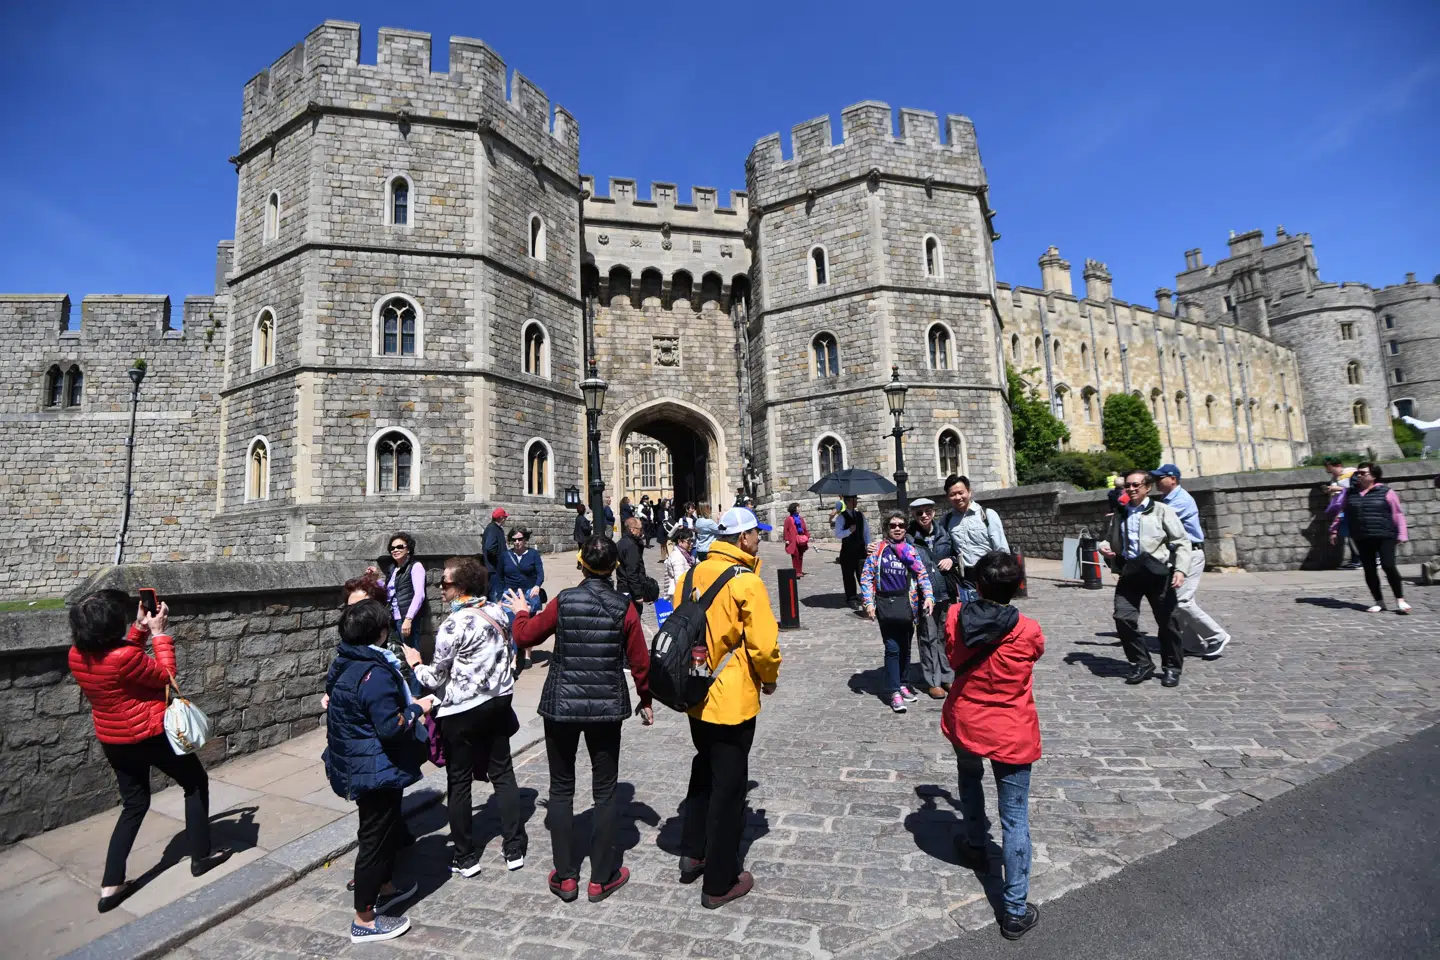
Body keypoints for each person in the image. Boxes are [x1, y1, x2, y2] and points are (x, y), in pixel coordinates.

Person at [506, 536, 655, 904]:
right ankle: (601, 877)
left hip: (562, 704)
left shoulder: (566, 600)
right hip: (605, 705)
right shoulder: (624, 606)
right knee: (605, 791)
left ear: (581, 564)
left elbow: (525, 634)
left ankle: (567, 876)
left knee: (561, 787)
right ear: (614, 568)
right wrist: (645, 698)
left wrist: (522, 611)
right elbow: (640, 659)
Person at [68, 590, 232, 914]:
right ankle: (201, 856)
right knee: (195, 782)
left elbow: (121, 659)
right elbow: (166, 678)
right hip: (149, 735)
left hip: (114, 741)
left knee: (134, 804)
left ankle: (111, 884)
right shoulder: (124, 658)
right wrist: (158, 634)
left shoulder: (77, 655)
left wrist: (139, 629)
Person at [673, 507, 783, 908]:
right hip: (731, 696)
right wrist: (769, 677)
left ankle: (693, 850)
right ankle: (719, 881)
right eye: (756, 533)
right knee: (729, 786)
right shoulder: (746, 582)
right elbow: (764, 645)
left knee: (703, 768)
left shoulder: (688, 576)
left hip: (695, 690)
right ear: (742, 539)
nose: (758, 539)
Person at [941, 551, 1044, 941]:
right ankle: (1014, 909)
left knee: (968, 777)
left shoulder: (955, 616)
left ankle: (973, 842)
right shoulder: (1029, 628)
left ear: (978, 584)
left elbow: (951, 655)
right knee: (1014, 817)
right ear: (1017, 586)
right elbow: (1035, 652)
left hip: (968, 719)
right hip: (1011, 728)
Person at [403, 556, 528, 877]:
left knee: (459, 783)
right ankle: (514, 847)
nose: (440, 588)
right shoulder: (498, 612)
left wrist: (416, 663)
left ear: (460, 588)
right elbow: (512, 654)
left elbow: (435, 678)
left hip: (462, 713)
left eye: (444, 583)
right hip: (498, 704)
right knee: (503, 774)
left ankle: (465, 856)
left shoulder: (452, 626)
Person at [323, 599, 433, 943]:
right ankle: (364, 919)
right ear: (380, 632)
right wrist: (418, 708)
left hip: (360, 762)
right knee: (373, 837)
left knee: (382, 831)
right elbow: (390, 726)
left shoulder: (344, 662)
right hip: (375, 767)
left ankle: (385, 885)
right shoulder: (375, 674)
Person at [1097, 470, 1192, 687]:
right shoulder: (1120, 512)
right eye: (1128, 485)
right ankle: (1141, 663)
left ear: (1147, 487)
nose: (1131, 489)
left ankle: (1171, 668)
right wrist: (1106, 549)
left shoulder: (1161, 511)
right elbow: (1108, 541)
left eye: (1136, 485)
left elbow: (1181, 541)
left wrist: (1180, 570)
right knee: (1123, 618)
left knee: (1168, 622)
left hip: (1158, 574)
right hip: (1130, 574)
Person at [1150, 465, 1231, 658]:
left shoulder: (1181, 500)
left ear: (1173, 479)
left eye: (1160, 478)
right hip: (1177, 555)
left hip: (1190, 555)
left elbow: (1156, 521)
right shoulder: (1168, 499)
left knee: (1182, 600)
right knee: (1175, 601)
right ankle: (1192, 643)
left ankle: (1216, 636)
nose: (1156, 482)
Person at [860, 510, 936, 714]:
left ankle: (903, 682)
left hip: (908, 604)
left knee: (905, 646)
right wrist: (868, 602)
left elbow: (922, 574)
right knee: (892, 647)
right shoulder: (878, 550)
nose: (897, 529)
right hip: (886, 604)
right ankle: (893, 690)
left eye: (901, 525)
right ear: (887, 528)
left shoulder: (910, 550)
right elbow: (867, 576)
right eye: (893, 525)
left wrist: (929, 596)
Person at [1330, 462, 1412, 614]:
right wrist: (1334, 530)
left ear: (1373, 476)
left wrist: (1402, 533)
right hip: (1362, 536)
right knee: (1369, 569)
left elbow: (1398, 513)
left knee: (1388, 565)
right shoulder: (1350, 493)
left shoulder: (1386, 492)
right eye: (1358, 473)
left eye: (1363, 473)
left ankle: (1400, 599)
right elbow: (1341, 512)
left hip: (1385, 535)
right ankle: (1379, 601)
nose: (1359, 475)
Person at [906, 498, 955, 698]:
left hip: (945, 592)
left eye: (928, 511)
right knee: (928, 636)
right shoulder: (908, 538)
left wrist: (951, 560)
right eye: (919, 513)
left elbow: (955, 553)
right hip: (924, 595)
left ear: (934, 512)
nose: (924, 515)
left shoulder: (944, 534)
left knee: (945, 636)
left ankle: (947, 676)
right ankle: (933, 680)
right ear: (914, 515)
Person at [936, 474, 1009, 603]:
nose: (958, 497)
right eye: (953, 494)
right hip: (965, 579)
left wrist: (1003, 575)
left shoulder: (987, 515)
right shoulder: (947, 520)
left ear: (969, 492)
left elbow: (1002, 549)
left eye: (961, 492)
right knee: (971, 616)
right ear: (948, 497)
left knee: (992, 614)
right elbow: (944, 546)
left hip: (989, 574)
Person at [379, 532, 428, 656]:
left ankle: (415, 675)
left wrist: (408, 619)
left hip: (406, 618)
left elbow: (419, 594)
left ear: (408, 549)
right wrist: (375, 579)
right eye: (392, 548)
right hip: (392, 619)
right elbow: (389, 592)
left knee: (411, 654)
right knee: (396, 655)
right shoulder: (393, 569)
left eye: (400, 547)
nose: (395, 550)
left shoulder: (415, 567)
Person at [1323, 457, 1361, 569]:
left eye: (1331, 469)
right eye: (1328, 470)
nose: (1330, 472)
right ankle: (1355, 560)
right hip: (1342, 509)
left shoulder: (1351, 473)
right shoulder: (1335, 479)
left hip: (1352, 508)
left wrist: (1338, 489)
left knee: (1354, 535)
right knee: (1349, 534)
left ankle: (1363, 560)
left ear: (1338, 465)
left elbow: (1355, 489)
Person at [498, 526, 546, 615]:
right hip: (510, 593)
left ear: (525, 539)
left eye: (520, 539)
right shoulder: (505, 556)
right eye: (514, 540)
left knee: (528, 622)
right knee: (511, 622)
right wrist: (499, 598)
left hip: (528, 592)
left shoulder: (533, 554)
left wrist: (537, 586)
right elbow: (499, 577)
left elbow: (540, 573)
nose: (517, 542)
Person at [835, 495, 869, 611]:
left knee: (863, 574)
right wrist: (849, 531)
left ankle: (867, 596)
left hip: (860, 550)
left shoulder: (860, 515)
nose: (855, 502)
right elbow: (838, 534)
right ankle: (851, 598)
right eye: (853, 500)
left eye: (856, 500)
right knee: (848, 575)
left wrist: (868, 545)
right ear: (847, 502)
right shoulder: (841, 517)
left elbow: (866, 532)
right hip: (848, 550)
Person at [616, 517, 653, 616]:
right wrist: (638, 595)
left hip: (623, 588)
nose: (641, 532)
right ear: (632, 529)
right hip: (630, 591)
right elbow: (632, 572)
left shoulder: (622, 542)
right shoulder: (630, 546)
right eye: (640, 529)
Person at [663, 525, 697, 598]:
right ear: (679, 541)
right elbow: (679, 581)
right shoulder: (677, 557)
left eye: (692, 541)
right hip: (679, 596)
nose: (691, 544)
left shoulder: (686, 555)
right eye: (688, 541)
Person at [482, 509, 508, 600]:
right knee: (495, 596)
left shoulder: (494, 528)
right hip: (494, 569)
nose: (506, 519)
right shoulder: (493, 529)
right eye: (505, 517)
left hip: (494, 569)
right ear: (501, 518)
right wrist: (500, 560)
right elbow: (490, 548)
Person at [782, 502, 810, 578]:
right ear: (794, 508)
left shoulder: (801, 518)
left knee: (800, 555)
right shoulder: (789, 519)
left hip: (801, 539)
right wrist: (786, 539)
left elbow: (804, 528)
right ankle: (796, 572)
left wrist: (807, 536)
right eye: (798, 507)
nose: (799, 508)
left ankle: (799, 571)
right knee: (795, 556)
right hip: (793, 540)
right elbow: (786, 530)